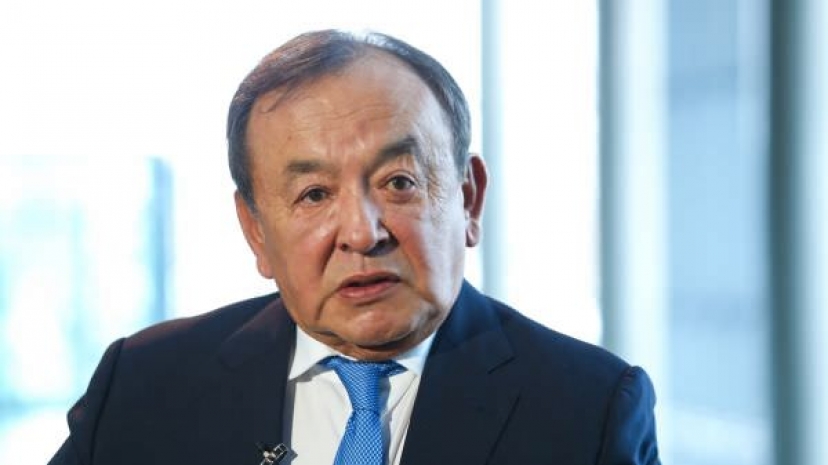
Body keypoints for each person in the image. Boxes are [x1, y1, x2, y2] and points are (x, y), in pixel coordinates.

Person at [48, 30, 660, 465]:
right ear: (255, 230)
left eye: (399, 182)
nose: (363, 234)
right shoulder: (145, 386)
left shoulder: (588, 408)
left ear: (469, 199)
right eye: (314, 194)